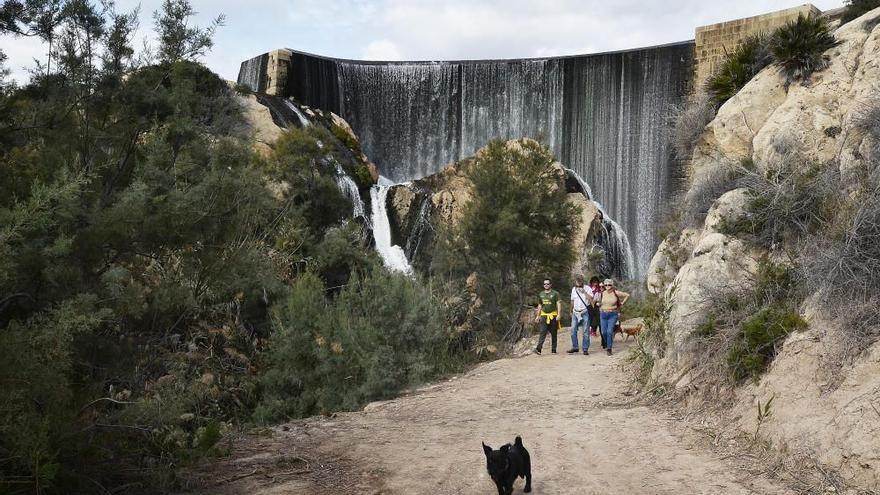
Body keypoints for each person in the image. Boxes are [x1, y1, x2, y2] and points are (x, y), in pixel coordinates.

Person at [598, 278, 629, 355]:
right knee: (603, 332)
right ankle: (608, 342)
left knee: (609, 332)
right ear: (604, 285)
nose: (607, 286)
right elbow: (599, 302)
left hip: (613, 314)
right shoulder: (602, 293)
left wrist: (622, 303)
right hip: (603, 314)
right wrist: (599, 305)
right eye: (606, 285)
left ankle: (609, 349)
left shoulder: (616, 292)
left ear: (612, 285)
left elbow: (627, 295)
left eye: (609, 284)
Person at [534, 278, 562, 355]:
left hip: (553, 315)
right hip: (544, 315)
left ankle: (553, 350)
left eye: (547, 284)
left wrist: (559, 314)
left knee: (554, 333)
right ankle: (538, 349)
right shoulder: (541, 294)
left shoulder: (555, 293)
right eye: (545, 284)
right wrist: (537, 315)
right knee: (542, 332)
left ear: (550, 285)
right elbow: (540, 305)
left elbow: (558, 304)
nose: (546, 285)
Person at [567, 275, 593, 355]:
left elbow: (591, 299)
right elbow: (572, 301)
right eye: (577, 281)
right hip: (575, 312)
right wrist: (570, 311)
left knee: (585, 331)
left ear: (582, 281)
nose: (578, 282)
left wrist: (584, 292)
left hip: (584, 312)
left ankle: (585, 349)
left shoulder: (588, 288)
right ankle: (575, 347)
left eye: (580, 281)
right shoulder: (573, 289)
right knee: (573, 330)